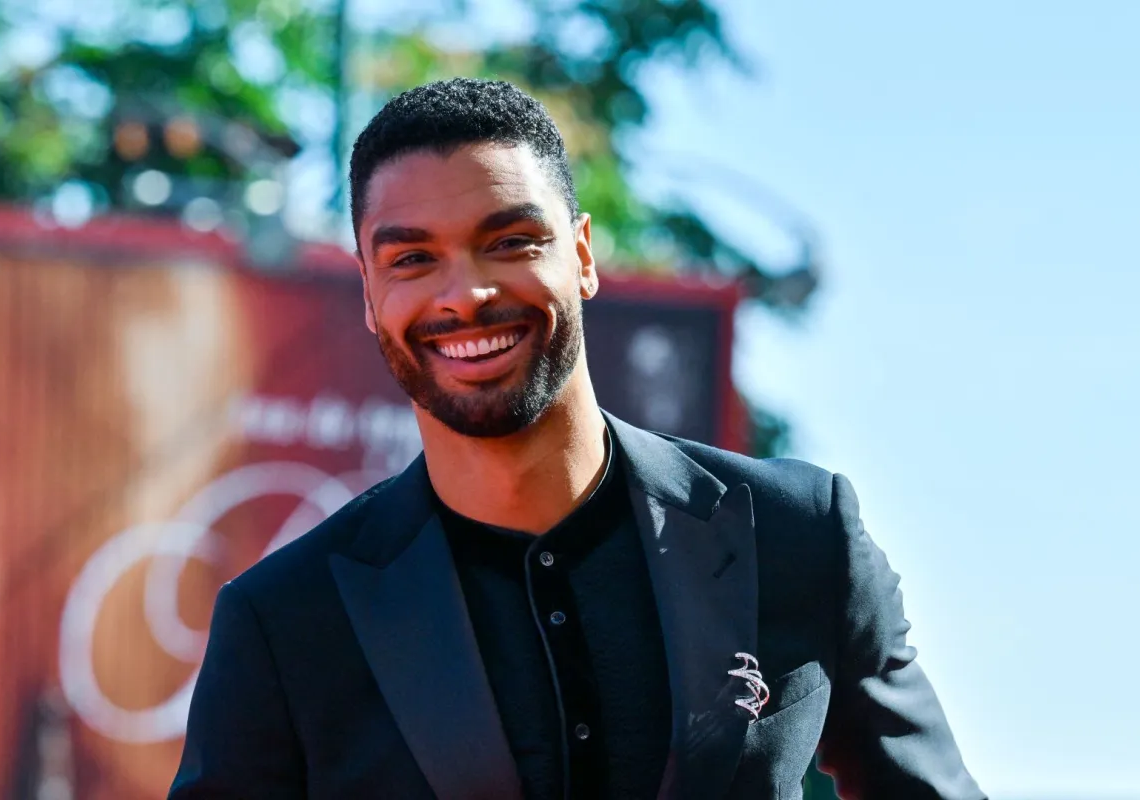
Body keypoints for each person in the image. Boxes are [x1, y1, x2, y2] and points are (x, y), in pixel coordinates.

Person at [170, 78, 985, 800]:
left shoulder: (798, 535)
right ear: (369, 294)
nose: (467, 294)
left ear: (583, 254)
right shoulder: (285, 625)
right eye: (413, 258)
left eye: (510, 242)